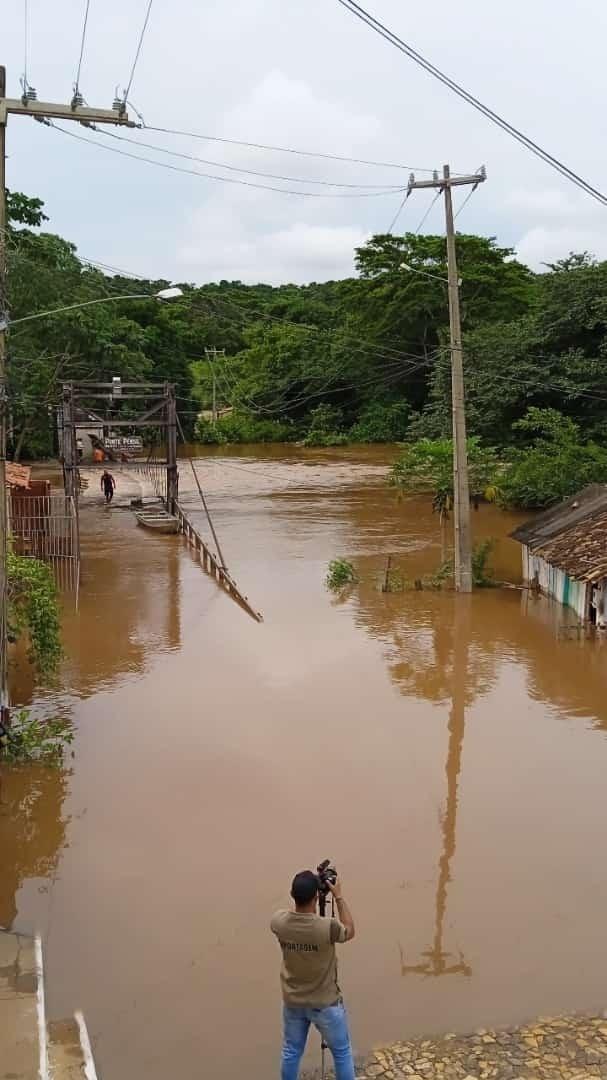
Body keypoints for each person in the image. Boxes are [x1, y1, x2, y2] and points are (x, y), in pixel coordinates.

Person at [271, 870, 356, 1080]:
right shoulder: (327, 927)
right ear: (316, 897)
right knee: (342, 1053)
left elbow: (290, 917)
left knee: (291, 1051)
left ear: (292, 895)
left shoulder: (278, 922)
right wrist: (338, 896)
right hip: (325, 1003)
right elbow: (349, 930)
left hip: (293, 1001)